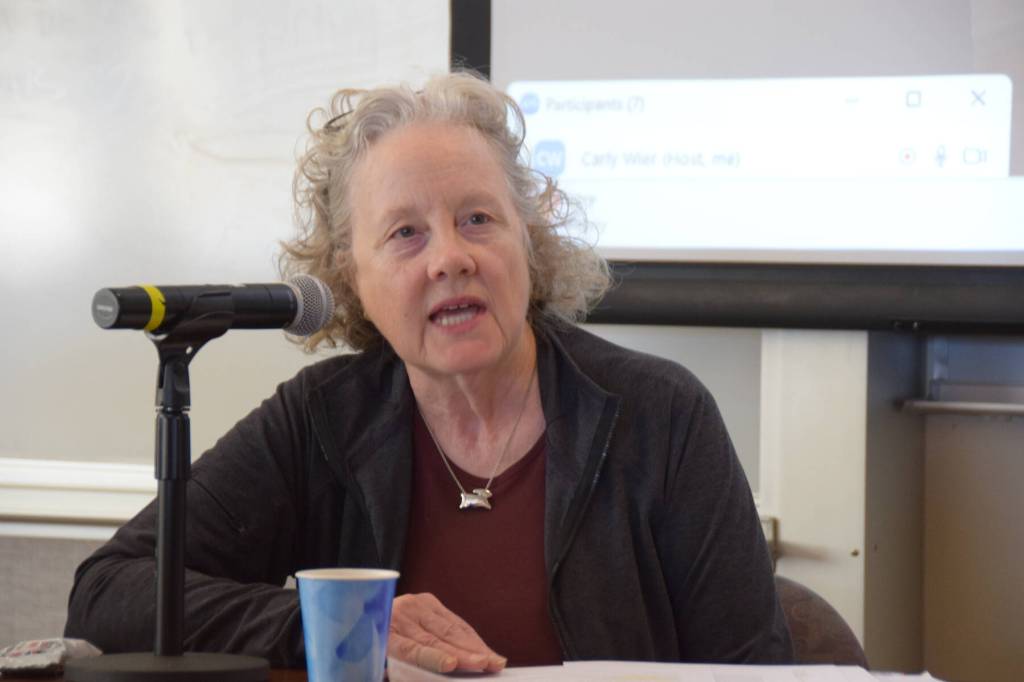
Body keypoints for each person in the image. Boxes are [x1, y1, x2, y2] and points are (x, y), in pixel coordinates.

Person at [64, 71, 792, 671]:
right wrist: (326, 624)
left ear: (527, 240)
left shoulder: (661, 416)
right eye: (406, 233)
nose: (450, 257)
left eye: (478, 218)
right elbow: (109, 589)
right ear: (352, 276)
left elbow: (755, 667)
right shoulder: (322, 419)